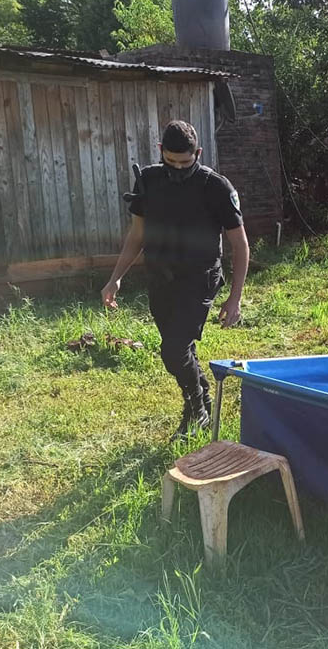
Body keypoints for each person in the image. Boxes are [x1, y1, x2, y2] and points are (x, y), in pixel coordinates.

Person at [101, 120, 250, 440]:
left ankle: (195, 411)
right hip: (160, 278)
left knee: (173, 349)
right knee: (179, 348)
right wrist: (115, 279)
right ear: (160, 152)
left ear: (198, 153)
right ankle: (203, 398)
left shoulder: (216, 187)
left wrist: (235, 298)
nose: (178, 168)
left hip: (199, 279)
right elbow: (137, 235)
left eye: (185, 162)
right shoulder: (149, 181)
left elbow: (240, 244)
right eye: (171, 161)